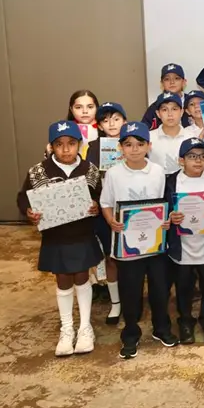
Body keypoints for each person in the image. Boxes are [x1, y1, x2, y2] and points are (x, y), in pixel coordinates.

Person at [17, 121, 102, 356]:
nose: (66, 150)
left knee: (83, 276)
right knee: (63, 279)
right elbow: (23, 198)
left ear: (79, 145)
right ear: (51, 146)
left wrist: (96, 206)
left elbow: (99, 196)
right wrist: (29, 212)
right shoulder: (38, 172)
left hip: (82, 233)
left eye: (71, 144)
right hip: (56, 236)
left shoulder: (90, 170)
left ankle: (85, 327)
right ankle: (67, 328)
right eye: (59, 144)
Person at [100, 122, 177, 359]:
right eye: (128, 144)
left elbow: (164, 203)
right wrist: (112, 221)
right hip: (127, 247)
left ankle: (161, 328)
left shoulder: (157, 171)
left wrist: (166, 220)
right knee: (130, 291)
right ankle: (131, 333)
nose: (134, 149)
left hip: (155, 244)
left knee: (159, 289)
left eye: (140, 144)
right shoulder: (113, 174)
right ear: (120, 147)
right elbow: (106, 203)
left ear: (148, 146)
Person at [164, 138, 204, 345]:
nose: (198, 161)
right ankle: (185, 321)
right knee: (184, 287)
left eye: (203, 156)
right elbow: (164, 211)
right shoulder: (171, 182)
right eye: (192, 156)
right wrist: (171, 217)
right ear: (181, 160)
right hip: (181, 246)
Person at [85, 102, 127, 324]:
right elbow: (89, 180)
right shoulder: (92, 147)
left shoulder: (132, 143)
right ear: (99, 125)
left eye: (116, 118)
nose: (111, 123)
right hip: (105, 208)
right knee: (111, 256)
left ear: (125, 121)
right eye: (106, 120)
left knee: (132, 256)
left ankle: (131, 298)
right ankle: (116, 303)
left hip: (131, 207)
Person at [149, 92, 201, 175]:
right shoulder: (149, 137)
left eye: (174, 109)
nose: (170, 114)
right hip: (157, 185)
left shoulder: (192, 137)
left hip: (184, 185)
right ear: (158, 114)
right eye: (164, 110)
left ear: (181, 112)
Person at [141, 64, 191, 130]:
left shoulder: (193, 102)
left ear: (184, 82)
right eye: (167, 79)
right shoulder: (155, 107)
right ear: (162, 84)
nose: (172, 82)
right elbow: (143, 132)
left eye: (176, 78)